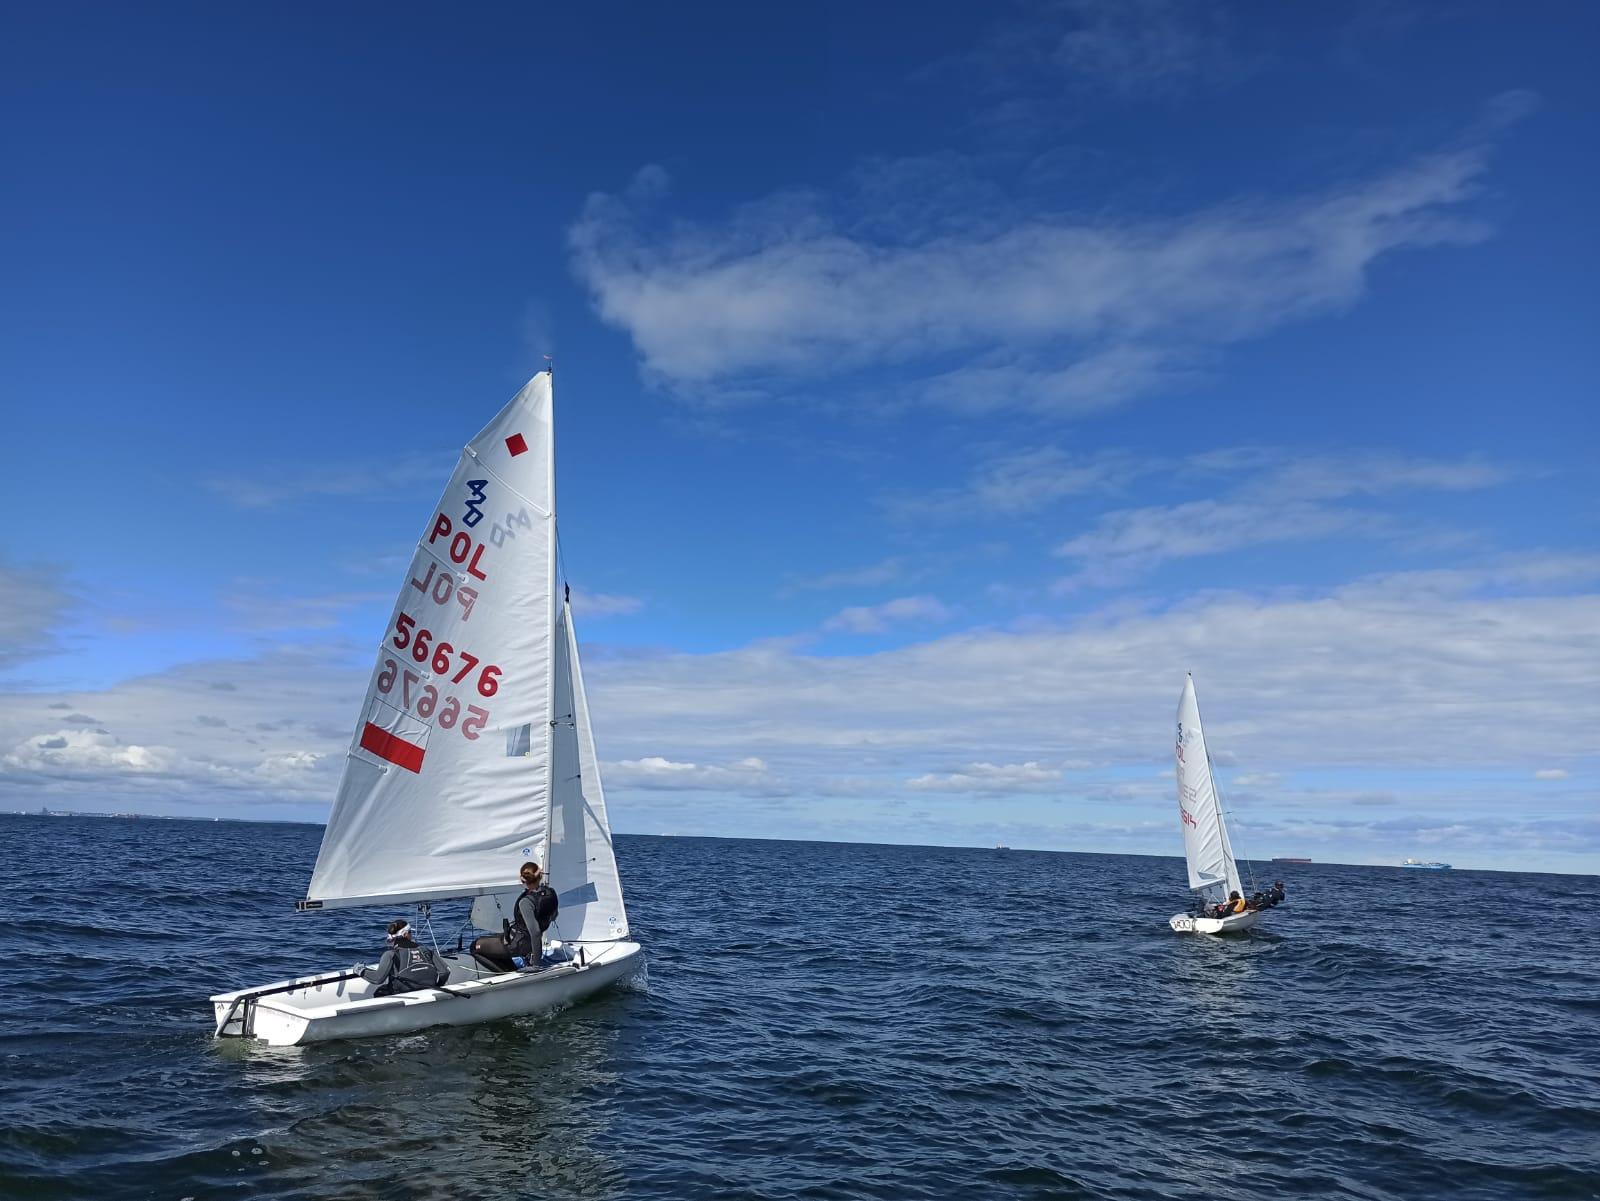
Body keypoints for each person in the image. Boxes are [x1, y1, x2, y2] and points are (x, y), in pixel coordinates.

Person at [470, 862, 560, 973]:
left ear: (523, 880)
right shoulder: (550, 893)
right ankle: (516, 964)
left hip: (518, 945)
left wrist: (536, 965)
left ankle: (508, 972)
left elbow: (535, 932)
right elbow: (554, 916)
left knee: (475, 946)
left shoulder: (526, 902)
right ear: (540, 876)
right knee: (496, 939)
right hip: (528, 944)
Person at [356, 919, 449, 996]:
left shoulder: (390, 954)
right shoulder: (426, 949)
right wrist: (437, 986)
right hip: (430, 989)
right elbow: (445, 972)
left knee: (379, 992)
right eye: (410, 932)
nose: (411, 934)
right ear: (405, 934)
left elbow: (378, 979)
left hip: (403, 993)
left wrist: (360, 970)